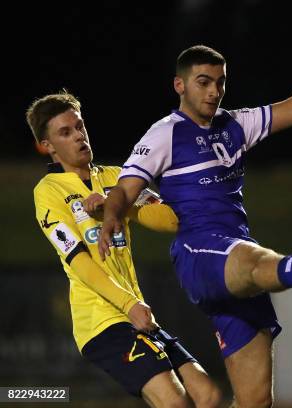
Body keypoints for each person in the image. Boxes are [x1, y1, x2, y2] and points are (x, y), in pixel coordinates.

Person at [98, 22, 292, 407]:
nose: (214, 91)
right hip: (200, 251)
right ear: (180, 85)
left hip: (238, 264)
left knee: (255, 401)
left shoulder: (235, 124)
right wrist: (111, 217)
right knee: (253, 259)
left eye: (220, 83)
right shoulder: (164, 133)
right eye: (204, 82)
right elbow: (125, 189)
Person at [29, 91, 221, 407]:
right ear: (48, 146)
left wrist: (119, 204)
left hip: (134, 311)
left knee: (209, 395)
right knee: (175, 402)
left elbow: (171, 220)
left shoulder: (118, 178)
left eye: (79, 126)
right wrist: (129, 304)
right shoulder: (48, 192)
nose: (78, 136)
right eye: (65, 132)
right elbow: (78, 261)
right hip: (102, 319)